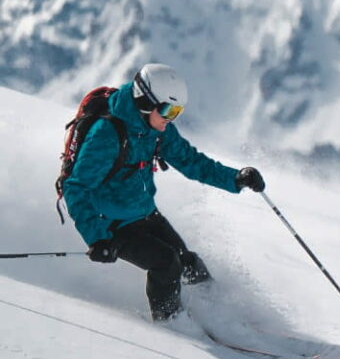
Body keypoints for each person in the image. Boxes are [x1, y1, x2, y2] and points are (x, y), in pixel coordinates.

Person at [61, 63, 266, 321]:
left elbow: (192, 161)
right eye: (168, 110)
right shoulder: (107, 135)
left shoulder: (157, 130)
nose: (171, 118)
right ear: (144, 101)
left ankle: (224, 316)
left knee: (189, 264)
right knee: (166, 263)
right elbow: (76, 187)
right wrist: (97, 238)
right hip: (111, 223)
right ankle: (171, 324)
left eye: (177, 112)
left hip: (144, 212)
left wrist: (236, 178)